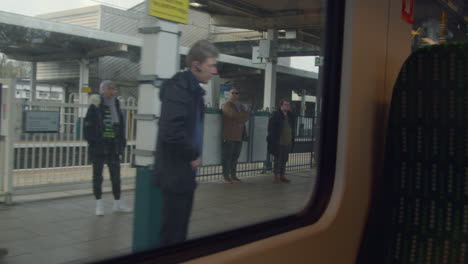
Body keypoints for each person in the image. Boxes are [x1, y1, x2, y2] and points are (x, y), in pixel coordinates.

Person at [154, 40, 219, 246]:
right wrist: (192, 154)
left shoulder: (193, 92)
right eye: (211, 65)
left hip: (184, 173)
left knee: (179, 232)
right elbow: (171, 131)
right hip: (175, 172)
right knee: (172, 235)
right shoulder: (179, 90)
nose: (214, 71)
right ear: (195, 65)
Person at [84, 80, 131, 216]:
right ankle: (99, 204)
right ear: (102, 90)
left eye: (114, 89)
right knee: (98, 176)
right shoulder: (95, 106)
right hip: (99, 148)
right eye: (109, 89)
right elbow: (87, 128)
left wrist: (122, 143)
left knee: (116, 176)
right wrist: (94, 142)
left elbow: (121, 126)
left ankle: (117, 203)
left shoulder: (116, 105)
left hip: (113, 147)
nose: (112, 91)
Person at [221, 88, 249, 183]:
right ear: (229, 94)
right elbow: (232, 115)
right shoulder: (227, 104)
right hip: (229, 135)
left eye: (237, 93)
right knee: (227, 157)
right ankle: (226, 176)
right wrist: (241, 117)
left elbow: (246, 116)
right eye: (232, 93)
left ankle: (233, 175)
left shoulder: (240, 106)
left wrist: (240, 117)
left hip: (239, 136)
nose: (235, 94)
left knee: (235, 157)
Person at [267, 98, 296, 183]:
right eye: (285, 104)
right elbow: (270, 128)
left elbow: (292, 128)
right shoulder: (276, 115)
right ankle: (276, 176)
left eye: (288, 105)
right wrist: (273, 139)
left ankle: (282, 175)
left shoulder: (291, 116)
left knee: (284, 159)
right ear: (281, 106)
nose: (287, 106)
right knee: (277, 160)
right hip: (278, 141)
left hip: (288, 141)